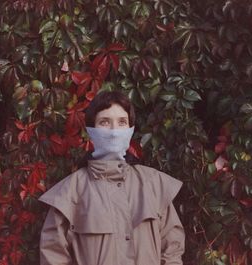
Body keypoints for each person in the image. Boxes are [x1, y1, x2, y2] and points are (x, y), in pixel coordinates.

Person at [39, 90, 185, 265]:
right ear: (91, 130)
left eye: (122, 122)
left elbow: (172, 249)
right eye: (104, 122)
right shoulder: (70, 193)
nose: (114, 131)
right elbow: (53, 256)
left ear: (130, 129)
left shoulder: (153, 184)